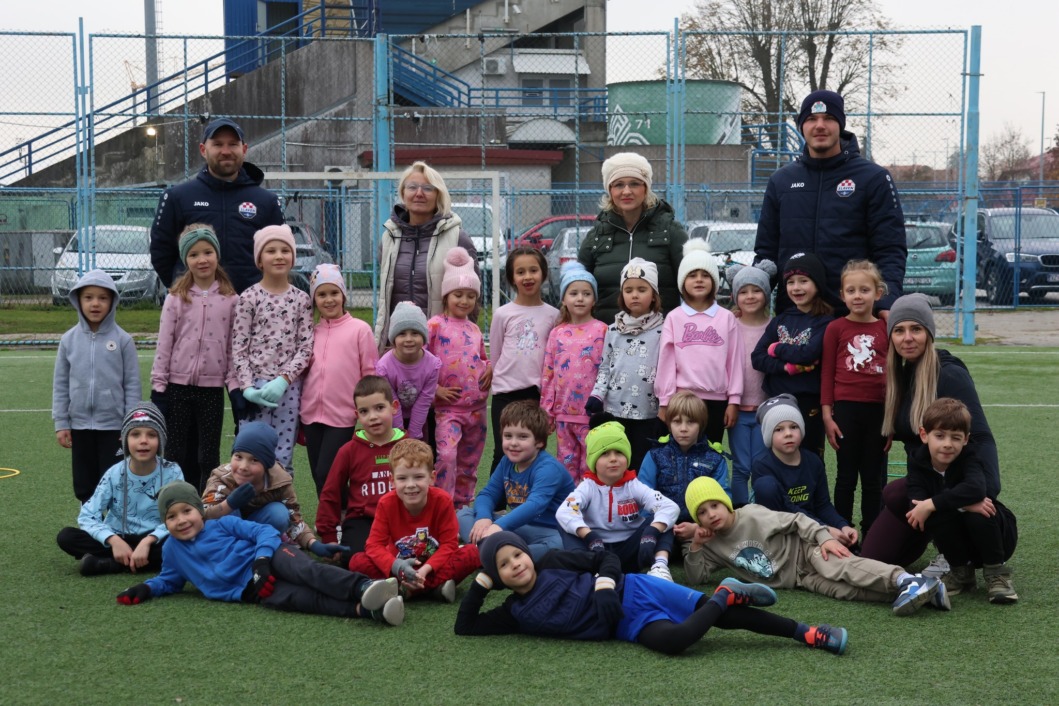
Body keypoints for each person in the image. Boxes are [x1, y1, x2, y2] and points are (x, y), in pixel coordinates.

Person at [455, 531, 850, 656]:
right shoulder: (513, 611)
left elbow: (605, 558)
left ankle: (806, 632)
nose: (516, 564)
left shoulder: (553, 561)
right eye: (504, 565)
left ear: (528, 552)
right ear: (499, 578)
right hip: (627, 626)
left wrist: (605, 584)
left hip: (637, 588)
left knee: (726, 621)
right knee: (677, 642)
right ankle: (726, 593)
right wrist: (481, 581)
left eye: (517, 554)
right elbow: (465, 626)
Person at [115, 481, 405, 626]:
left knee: (308, 572)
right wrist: (147, 587)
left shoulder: (222, 523)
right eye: (171, 517)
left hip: (271, 556)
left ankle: (364, 586)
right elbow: (170, 580)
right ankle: (366, 610)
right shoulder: (172, 551)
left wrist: (262, 560)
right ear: (164, 523)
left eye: (187, 511)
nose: (181, 521)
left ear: (200, 510)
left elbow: (263, 532)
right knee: (300, 599)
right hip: (251, 590)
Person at [860, 294, 1001, 569]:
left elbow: (981, 437)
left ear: (929, 333)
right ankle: (937, 533)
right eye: (899, 331)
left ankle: (953, 544)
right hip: (922, 483)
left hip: (955, 483)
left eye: (916, 329)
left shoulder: (949, 374)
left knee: (895, 494)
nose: (907, 338)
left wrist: (980, 495)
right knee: (874, 559)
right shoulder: (900, 376)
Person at [683, 477, 949, 617]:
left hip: (807, 552)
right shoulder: (712, 544)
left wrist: (824, 538)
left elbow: (797, 520)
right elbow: (698, 577)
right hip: (801, 579)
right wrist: (696, 544)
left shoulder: (751, 514)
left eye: (715, 505)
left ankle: (902, 579)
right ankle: (924, 591)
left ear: (725, 503)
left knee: (843, 568)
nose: (711, 514)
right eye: (702, 513)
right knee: (846, 591)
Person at [753, 89, 907, 315]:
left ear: (841, 125)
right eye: (812, 119)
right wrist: (752, 295)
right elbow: (767, 253)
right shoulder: (781, 181)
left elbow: (890, 250)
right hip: (795, 316)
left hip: (853, 317)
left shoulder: (873, 178)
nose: (820, 126)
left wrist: (886, 301)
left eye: (829, 118)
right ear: (801, 126)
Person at [150, 224, 238, 492]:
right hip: (178, 388)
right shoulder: (176, 298)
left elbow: (233, 349)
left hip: (211, 390)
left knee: (207, 455)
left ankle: (204, 506)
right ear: (185, 259)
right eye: (194, 254)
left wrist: (234, 387)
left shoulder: (231, 299)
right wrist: (159, 386)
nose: (202, 260)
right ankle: (175, 503)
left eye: (208, 252)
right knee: (175, 451)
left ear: (217, 255)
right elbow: (165, 343)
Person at [150, 118, 284, 294]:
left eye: (233, 144)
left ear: (244, 149)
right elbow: (162, 252)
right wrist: (184, 288)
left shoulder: (267, 201)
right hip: (195, 307)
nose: (226, 151)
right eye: (218, 144)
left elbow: (279, 253)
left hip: (252, 307)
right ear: (203, 150)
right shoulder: (178, 197)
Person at [905, 398, 1018, 604]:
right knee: (931, 513)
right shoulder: (917, 461)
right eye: (939, 436)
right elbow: (916, 504)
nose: (948, 444)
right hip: (958, 539)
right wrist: (959, 504)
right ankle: (961, 572)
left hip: (997, 535)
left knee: (979, 511)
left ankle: (996, 573)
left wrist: (933, 503)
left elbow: (976, 489)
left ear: (965, 439)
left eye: (955, 438)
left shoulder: (970, 456)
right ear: (924, 435)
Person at [346, 439, 481, 602]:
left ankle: (405, 590)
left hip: (433, 566)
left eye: (418, 477)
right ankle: (434, 589)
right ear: (392, 481)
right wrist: (397, 567)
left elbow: (449, 545)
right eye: (402, 478)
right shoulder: (386, 503)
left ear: (432, 478)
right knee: (357, 562)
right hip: (399, 567)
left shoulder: (442, 501)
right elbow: (374, 546)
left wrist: (425, 570)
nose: (411, 485)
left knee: (472, 553)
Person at [56, 403, 183, 575]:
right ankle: (134, 560)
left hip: (156, 540)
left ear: (161, 440)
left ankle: (111, 564)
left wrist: (148, 541)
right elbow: (87, 516)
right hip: (118, 537)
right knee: (66, 537)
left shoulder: (172, 471)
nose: (143, 441)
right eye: (135, 434)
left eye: (151, 435)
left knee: (185, 540)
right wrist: (113, 540)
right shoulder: (114, 473)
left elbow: (180, 514)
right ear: (124, 440)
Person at [230, 224, 314, 474]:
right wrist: (247, 388)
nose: (279, 256)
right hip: (254, 387)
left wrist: (284, 379)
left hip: (287, 389)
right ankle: (248, 506)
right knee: (249, 452)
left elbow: (306, 346)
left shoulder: (302, 299)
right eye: (271, 251)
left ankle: (282, 506)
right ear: (259, 260)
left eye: (285, 250)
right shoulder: (248, 298)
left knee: (283, 452)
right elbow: (239, 347)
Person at [52, 269, 141, 502]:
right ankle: (89, 523)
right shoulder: (68, 340)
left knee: (114, 479)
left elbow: (132, 384)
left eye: (102, 298)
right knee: (84, 482)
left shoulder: (123, 340)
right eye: (88, 297)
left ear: (112, 301)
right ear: (78, 300)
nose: (95, 304)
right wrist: (62, 423)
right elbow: (60, 384)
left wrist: (130, 423)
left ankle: (115, 528)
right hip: (80, 426)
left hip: (114, 427)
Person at [374, 161, 479, 353]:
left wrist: (465, 343)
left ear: (438, 194)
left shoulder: (457, 238)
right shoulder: (389, 236)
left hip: (442, 347)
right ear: (403, 193)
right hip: (397, 346)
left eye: (428, 188)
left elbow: (471, 296)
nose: (419, 193)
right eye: (412, 187)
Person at [200, 422, 346, 561]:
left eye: (254, 460)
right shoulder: (221, 478)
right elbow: (202, 516)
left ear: (267, 464)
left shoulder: (280, 481)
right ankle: (233, 551)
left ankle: (259, 546)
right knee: (227, 516)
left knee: (279, 513)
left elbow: (293, 518)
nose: (243, 466)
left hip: (258, 527)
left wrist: (314, 544)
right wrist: (229, 504)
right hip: (229, 533)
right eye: (238, 456)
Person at [556, 422, 679, 579]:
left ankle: (659, 567)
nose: (613, 459)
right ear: (593, 461)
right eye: (605, 453)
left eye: (619, 453)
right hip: (596, 552)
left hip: (630, 552)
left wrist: (652, 531)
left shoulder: (633, 485)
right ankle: (584, 571)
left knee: (665, 519)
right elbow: (564, 511)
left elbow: (670, 507)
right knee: (563, 520)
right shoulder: (587, 486)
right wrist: (589, 536)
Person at [577, 152, 688, 323]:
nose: (626, 191)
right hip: (608, 337)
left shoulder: (670, 232)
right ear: (610, 190)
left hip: (661, 336)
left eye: (634, 184)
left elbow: (692, 287)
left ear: (646, 189)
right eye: (619, 185)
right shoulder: (596, 237)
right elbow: (577, 287)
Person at [820, 260, 889, 534]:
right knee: (846, 477)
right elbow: (826, 373)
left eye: (864, 289)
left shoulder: (886, 327)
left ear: (878, 293)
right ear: (842, 295)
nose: (858, 295)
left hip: (878, 413)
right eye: (851, 290)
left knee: (873, 479)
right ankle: (842, 530)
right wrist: (827, 415)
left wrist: (891, 418)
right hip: (845, 412)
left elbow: (893, 376)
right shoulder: (835, 328)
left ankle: (872, 532)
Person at [457, 401, 575, 560]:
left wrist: (498, 526)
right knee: (464, 514)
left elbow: (535, 505)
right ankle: (498, 555)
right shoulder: (507, 461)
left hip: (550, 531)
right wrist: (483, 518)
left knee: (559, 545)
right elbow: (488, 494)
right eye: (508, 436)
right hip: (519, 528)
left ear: (539, 441)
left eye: (523, 437)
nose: (513, 443)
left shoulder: (548, 468)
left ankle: (486, 554)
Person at [300, 263, 378, 497]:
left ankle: (342, 517)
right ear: (315, 300)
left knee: (328, 472)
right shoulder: (311, 331)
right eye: (321, 294)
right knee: (317, 473)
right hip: (311, 414)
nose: (329, 300)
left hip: (343, 415)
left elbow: (370, 373)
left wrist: (367, 410)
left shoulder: (360, 330)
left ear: (343, 295)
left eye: (334, 293)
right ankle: (329, 522)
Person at [655, 237, 743, 444]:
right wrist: (665, 401)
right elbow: (666, 362)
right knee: (681, 454)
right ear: (683, 281)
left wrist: (734, 400)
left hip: (717, 401)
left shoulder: (726, 318)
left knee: (712, 453)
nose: (699, 280)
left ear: (714, 280)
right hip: (682, 400)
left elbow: (734, 361)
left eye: (705, 275)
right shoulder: (674, 317)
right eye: (692, 275)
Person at [586, 258, 666, 471]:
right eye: (628, 290)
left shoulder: (663, 329)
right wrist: (597, 394)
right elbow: (605, 366)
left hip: (648, 411)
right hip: (615, 409)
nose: (635, 294)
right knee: (617, 462)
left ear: (654, 294)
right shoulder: (612, 330)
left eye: (642, 289)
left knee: (642, 463)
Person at [426, 247, 491, 507]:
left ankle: (463, 505)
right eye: (458, 295)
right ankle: (443, 504)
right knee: (447, 456)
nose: (464, 301)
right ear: (446, 296)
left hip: (476, 409)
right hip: (447, 410)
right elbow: (423, 362)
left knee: (470, 459)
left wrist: (489, 367)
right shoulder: (435, 325)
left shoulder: (474, 329)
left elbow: (483, 357)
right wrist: (434, 391)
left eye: (470, 296)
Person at [751, 253, 833, 459]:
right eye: (790, 282)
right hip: (777, 401)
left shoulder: (825, 322)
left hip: (809, 402)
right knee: (779, 458)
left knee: (810, 457)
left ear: (817, 284)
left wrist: (777, 349)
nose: (796, 287)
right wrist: (785, 368)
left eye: (803, 281)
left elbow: (809, 354)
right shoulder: (780, 320)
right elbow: (757, 358)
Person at [751, 394, 858, 548]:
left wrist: (842, 525)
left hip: (813, 526)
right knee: (765, 486)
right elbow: (788, 509)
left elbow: (823, 505)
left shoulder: (813, 461)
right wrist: (824, 529)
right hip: (781, 531)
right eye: (779, 429)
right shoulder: (762, 466)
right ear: (768, 435)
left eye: (793, 427)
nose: (788, 433)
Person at [486, 247, 558, 472]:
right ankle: (495, 505)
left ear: (543, 274)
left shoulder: (554, 315)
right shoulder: (503, 314)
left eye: (533, 270)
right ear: (512, 278)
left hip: (536, 395)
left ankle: (530, 502)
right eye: (520, 272)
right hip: (505, 394)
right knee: (503, 452)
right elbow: (496, 354)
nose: (527, 277)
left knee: (533, 452)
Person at [315, 376, 406, 553]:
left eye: (379, 408)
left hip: (404, 516)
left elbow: (428, 488)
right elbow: (330, 492)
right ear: (357, 415)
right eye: (364, 411)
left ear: (394, 407)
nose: (373, 417)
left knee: (417, 550)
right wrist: (329, 536)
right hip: (363, 520)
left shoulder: (407, 445)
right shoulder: (348, 451)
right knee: (352, 557)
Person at [638, 391, 729, 558]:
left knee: (714, 548)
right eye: (677, 421)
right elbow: (643, 496)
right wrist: (659, 524)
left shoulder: (715, 459)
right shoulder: (655, 455)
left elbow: (723, 501)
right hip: (661, 524)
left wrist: (698, 527)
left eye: (691, 422)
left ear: (701, 424)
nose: (683, 429)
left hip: (700, 526)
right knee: (645, 546)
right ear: (669, 423)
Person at [539, 262, 607, 483]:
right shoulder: (557, 333)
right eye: (574, 293)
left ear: (594, 300)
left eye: (586, 294)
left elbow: (607, 371)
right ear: (564, 299)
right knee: (566, 466)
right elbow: (548, 374)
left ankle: (590, 509)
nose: (580, 298)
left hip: (592, 416)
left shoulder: (603, 330)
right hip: (563, 415)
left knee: (591, 466)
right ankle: (569, 510)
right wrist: (547, 411)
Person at [725, 263, 774, 507]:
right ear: (735, 296)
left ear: (766, 294)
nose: (750, 296)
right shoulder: (729, 324)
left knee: (762, 466)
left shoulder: (774, 326)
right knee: (742, 467)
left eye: (756, 290)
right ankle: (741, 514)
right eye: (744, 291)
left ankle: (762, 515)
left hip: (766, 411)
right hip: (738, 409)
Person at [376, 301, 441, 441]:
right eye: (402, 334)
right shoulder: (384, 367)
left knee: (424, 452)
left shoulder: (433, 365)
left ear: (423, 336)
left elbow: (424, 401)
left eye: (415, 333)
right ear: (393, 338)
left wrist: (414, 435)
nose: (409, 339)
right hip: (392, 416)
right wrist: (400, 435)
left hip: (421, 415)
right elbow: (391, 402)